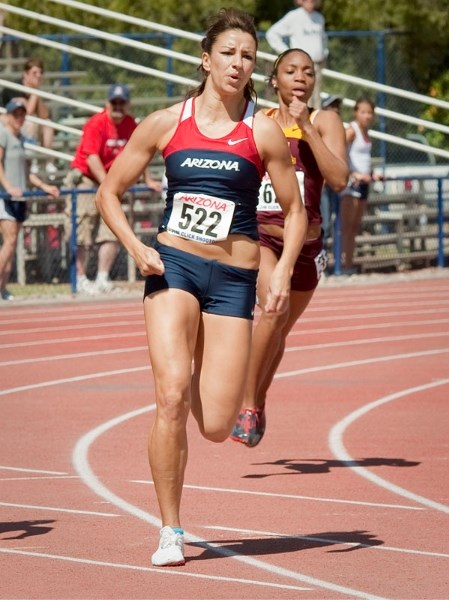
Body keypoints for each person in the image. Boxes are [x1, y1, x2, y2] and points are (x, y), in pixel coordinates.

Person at [96, 8, 307, 566]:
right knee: (170, 399)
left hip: (233, 280)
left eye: (248, 57)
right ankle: (170, 531)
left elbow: (296, 210)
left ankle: (191, 357)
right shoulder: (168, 122)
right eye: (230, 54)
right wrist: (138, 248)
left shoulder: (262, 129)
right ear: (206, 59)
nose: (239, 65)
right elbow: (108, 194)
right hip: (174, 269)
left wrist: (280, 270)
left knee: (215, 425)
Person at [230, 48, 348, 447]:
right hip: (262, 236)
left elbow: (339, 180)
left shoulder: (324, 119)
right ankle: (246, 403)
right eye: (291, 71)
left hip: (308, 246)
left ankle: (259, 399)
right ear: (274, 79)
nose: (300, 78)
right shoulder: (258, 121)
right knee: (271, 310)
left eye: (308, 72)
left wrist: (307, 130)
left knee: (279, 329)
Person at [64, 83, 162, 294]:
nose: (118, 106)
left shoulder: (130, 123)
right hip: (89, 179)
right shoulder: (96, 123)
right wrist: (108, 185)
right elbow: (92, 158)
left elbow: (140, 154)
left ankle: (102, 277)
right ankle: (80, 279)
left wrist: (146, 179)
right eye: (114, 102)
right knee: (82, 228)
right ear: (107, 103)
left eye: (122, 102)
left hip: (113, 180)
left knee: (113, 228)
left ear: (127, 104)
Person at [0, 99, 59, 301]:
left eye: (22, 114)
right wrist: (8, 187)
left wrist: (44, 187)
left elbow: (26, 173)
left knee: (12, 243)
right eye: (15, 114)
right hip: (5, 196)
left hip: (19, 196)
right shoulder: (3, 134)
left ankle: (3, 288)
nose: (19, 118)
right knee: (9, 242)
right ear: (8, 115)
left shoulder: (21, 139)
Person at [265, 0, 328, 109]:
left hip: (317, 65)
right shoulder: (294, 16)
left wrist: (324, 53)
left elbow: (323, 39)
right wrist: (288, 54)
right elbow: (272, 34)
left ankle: (312, 124)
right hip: (301, 68)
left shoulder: (319, 18)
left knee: (316, 100)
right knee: (301, 97)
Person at [1, 58, 57, 177]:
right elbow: (28, 113)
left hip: (28, 128)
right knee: (31, 123)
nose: (38, 76)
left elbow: (44, 115)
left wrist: (36, 93)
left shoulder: (36, 91)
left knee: (48, 124)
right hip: (10, 128)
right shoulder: (13, 88)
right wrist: (35, 91)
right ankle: (32, 161)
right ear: (25, 74)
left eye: (41, 73)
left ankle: (48, 162)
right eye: (34, 73)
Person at [339, 96, 376, 275]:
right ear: (356, 112)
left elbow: (364, 158)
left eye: (370, 112)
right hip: (351, 185)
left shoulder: (366, 132)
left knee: (355, 227)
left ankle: (349, 263)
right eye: (363, 112)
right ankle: (342, 265)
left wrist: (372, 173)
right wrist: (353, 174)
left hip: (364, 183)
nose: (367, 116)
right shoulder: (351, 131)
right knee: (346, 226)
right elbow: (338, 151)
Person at [320, 94, 343, 246]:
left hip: (335, 183)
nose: (335, 109)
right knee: (324, 226)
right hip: (321, 184)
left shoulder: (339, 128)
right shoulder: (318, 127)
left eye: (337, 106)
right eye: (331, 106)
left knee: (331, 225)